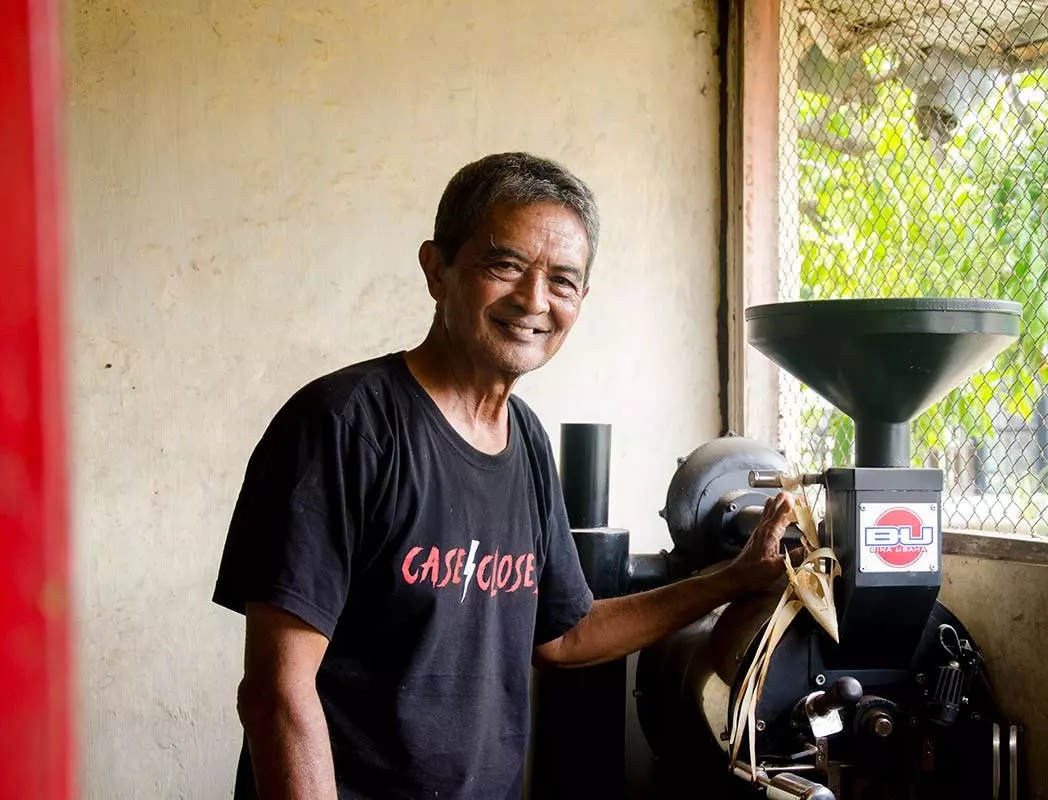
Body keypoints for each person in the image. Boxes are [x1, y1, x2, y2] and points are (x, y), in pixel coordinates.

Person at [212, 152, 796, 800]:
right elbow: (275, 692)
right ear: (438, 270)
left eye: (563, 281)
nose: (534, 301)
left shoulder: (526, 442)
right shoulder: (343, 428)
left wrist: (734, 579)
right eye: (505, 265)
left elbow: (565, 635)